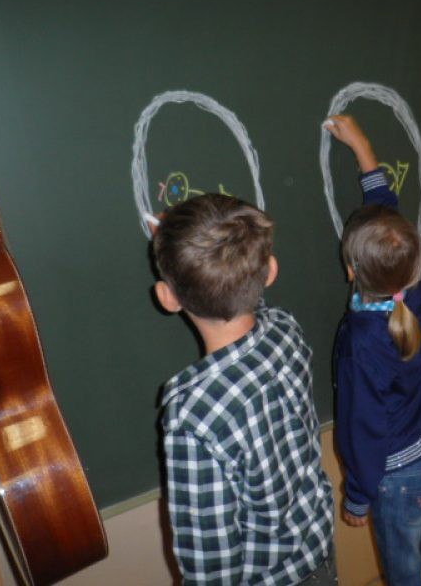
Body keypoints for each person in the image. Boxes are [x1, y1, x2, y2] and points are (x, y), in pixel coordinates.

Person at [151, 194, 335, 584]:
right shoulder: (285, 330)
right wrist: (196, 245)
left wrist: (185, 254)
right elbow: (253, 304)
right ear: (270, 272)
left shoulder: (193, 419)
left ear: (167, 298)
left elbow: (210, 568)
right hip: (317, 553)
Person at [324, 115, 421, 585]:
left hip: (398, 474)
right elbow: (387, 218)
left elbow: (363, 426)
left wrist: (357, 495)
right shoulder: (411, 289)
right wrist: (362, 148)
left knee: (403, 570)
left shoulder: (362, 343)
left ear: (351, 271)